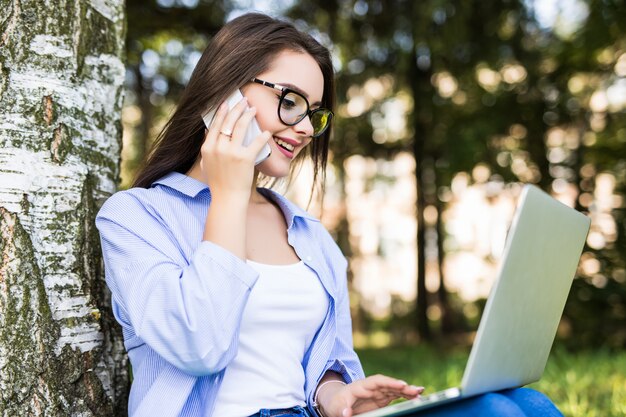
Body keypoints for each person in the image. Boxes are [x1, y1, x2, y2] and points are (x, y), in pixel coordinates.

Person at [96, 12, 563, 417]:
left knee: (521, 405)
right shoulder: (136, 217)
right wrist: (229, 192)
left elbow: (327, 365)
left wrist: (335, 397)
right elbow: (200, 345)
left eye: (314, 114)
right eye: (291, 101)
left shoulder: (308, 233)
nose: (304, 128)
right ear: (225, 93)